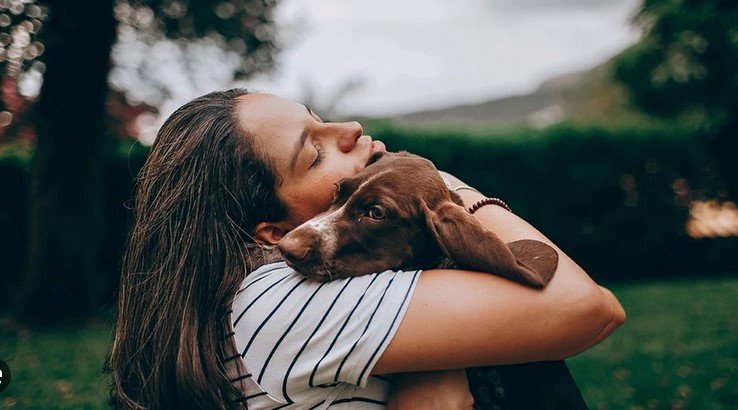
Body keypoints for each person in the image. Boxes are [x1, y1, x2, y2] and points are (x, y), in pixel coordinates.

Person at [106, 88, 626, 409]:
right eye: (315, 152)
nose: (351, 128)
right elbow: (587, 308)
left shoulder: (341, 277)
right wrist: (446, 189)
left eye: (318, 117)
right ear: (270, 233)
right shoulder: (277, 297)